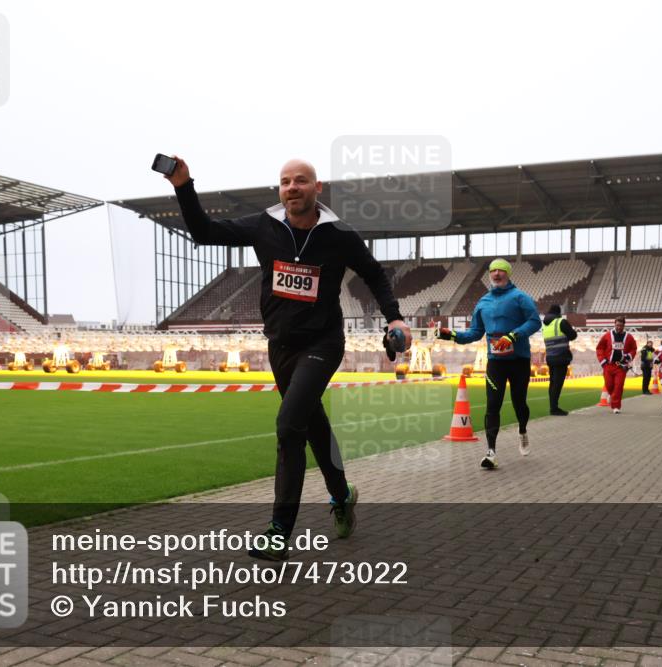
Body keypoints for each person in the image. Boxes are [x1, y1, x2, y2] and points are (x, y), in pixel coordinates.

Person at [168, 156, 409, 561]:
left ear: (318, 188)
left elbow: (373, 273)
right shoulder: (265, 226)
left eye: (301, 181)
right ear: (279, 191)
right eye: (285, 182)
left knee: (288, 424)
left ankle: (279, 530)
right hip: (280, 346)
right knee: (311, 425)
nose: (292, 187)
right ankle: (342, 495)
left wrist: (394, 317)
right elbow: (204, 232)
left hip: (323, 343)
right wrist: (183, 186)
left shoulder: (339, 234)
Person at [437, 259, 541, 469]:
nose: (496, 274)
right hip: (496, 363)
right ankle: (491, 452)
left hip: (519, 360)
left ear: (508, 274)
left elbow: (535, 321)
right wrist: (453, 335)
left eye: (500, 271)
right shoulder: (482, 302)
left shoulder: (520, 297)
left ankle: (522, 430)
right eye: (492, 271)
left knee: (519, 402)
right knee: (493, 405)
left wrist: (513, 336)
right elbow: (475, 333)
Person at [595, 316, 637, 414]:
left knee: (618, 386)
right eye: (617, 325)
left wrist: (628, 356)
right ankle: (612, 395)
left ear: (624, 326)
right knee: (609, 385)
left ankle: (616, 406)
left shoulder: (629, 337)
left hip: (621, 366)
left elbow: (634, 349)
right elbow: (599, 348)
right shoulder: (607, 335)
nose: (619, 327)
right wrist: (603, 361)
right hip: (608, 365)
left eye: (621, 325)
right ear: (614, 324)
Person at [542, 304, 577, 416]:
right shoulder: (560, 322)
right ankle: (554, 408)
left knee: (552, 383)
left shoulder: (546, 325)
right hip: (561, 357)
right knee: (557, 384)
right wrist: (573, 330)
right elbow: (572, 336)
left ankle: (553, 406)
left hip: (550, 357)